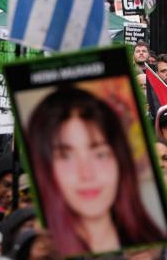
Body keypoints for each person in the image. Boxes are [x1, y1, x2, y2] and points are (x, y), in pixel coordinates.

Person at [25, 87, 165, 256]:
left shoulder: (153, 234)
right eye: (65, 156)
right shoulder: (43, 251)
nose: (86, 173)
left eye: (100, 154)